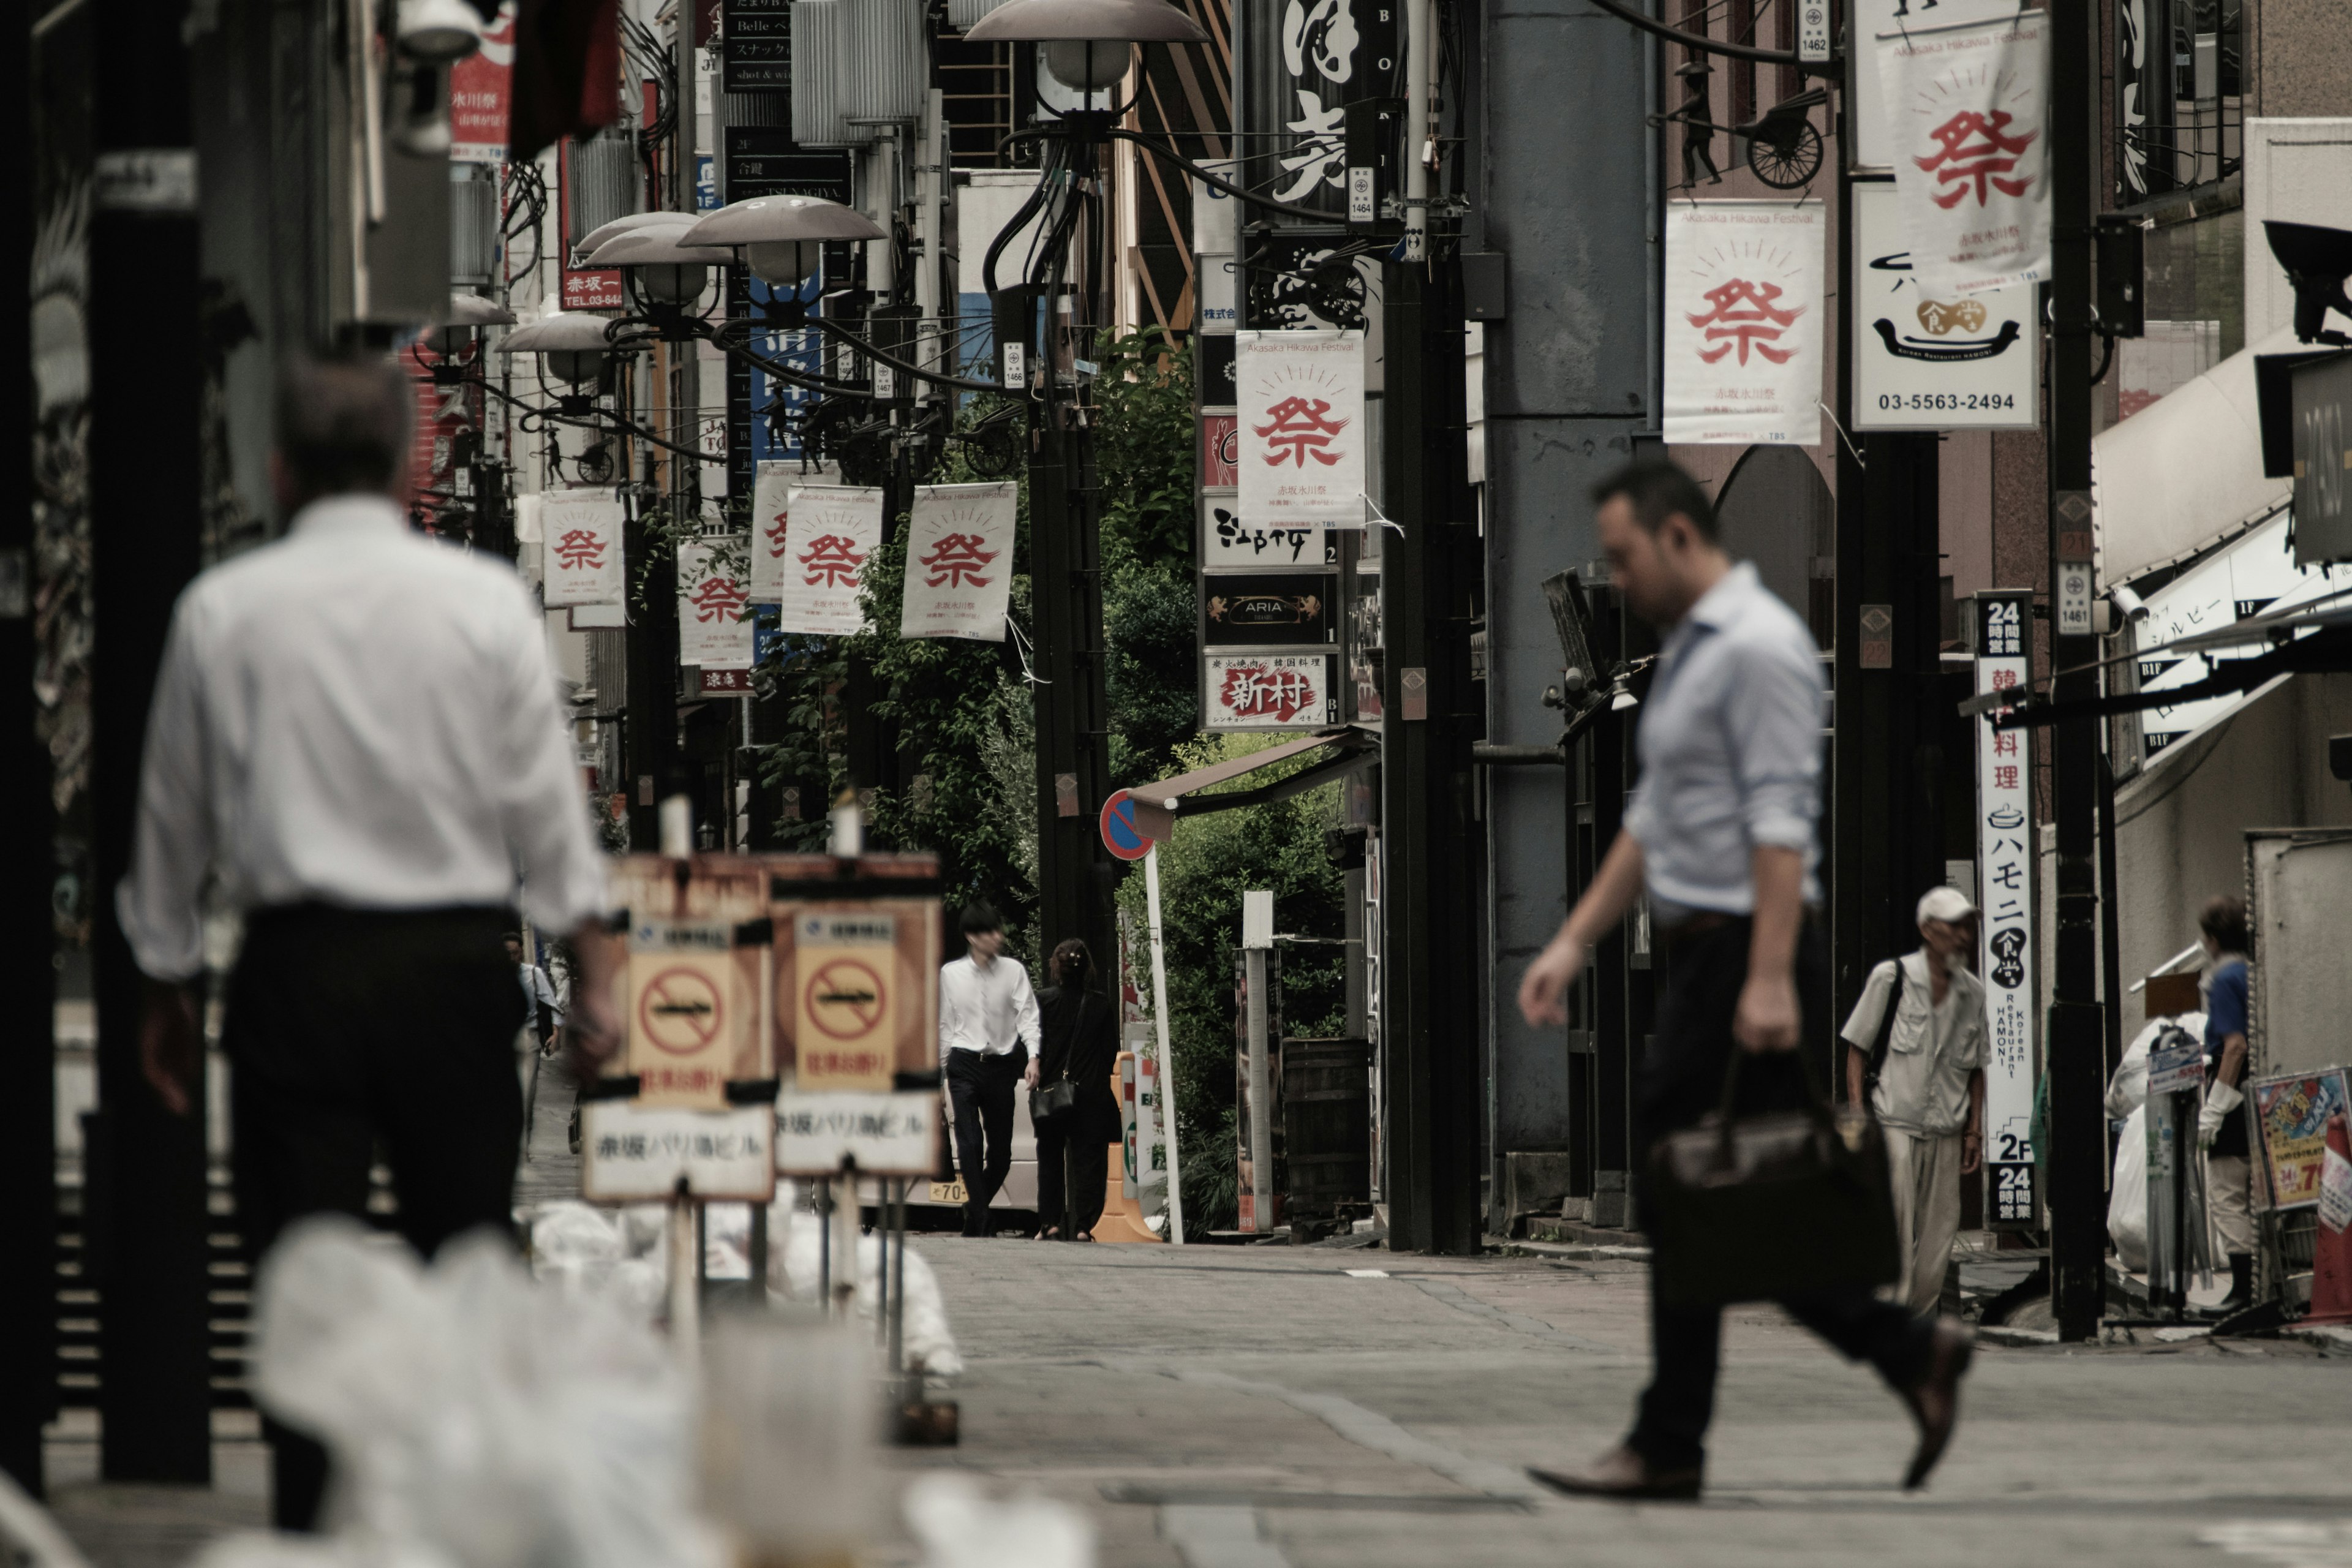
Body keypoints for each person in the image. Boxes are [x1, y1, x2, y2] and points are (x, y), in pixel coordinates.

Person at [118, 352, 621, 1531]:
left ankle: (312, 1524)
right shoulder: (482, 602)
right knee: (467, 1267)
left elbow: (169, 821)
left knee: (306, 1290)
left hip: (298, 974)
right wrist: (595, 970)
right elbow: (547, 811)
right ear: (408, 465)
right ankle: (464, 1526)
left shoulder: (223, 610)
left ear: (280, 470)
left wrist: (166, 987)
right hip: (452, 974)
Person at [1515, 459, 1970, 1501]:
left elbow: (1778, 823)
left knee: (1694, 1182)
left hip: (1747, 952)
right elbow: (1654, 818)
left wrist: (1767, 979)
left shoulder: (1759, 650)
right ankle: (1906, 1352)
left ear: (1680, 538)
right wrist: (1574, 941)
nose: (1619, 579)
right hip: (1709, 952)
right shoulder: (1689, 655)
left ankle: (1671, 1440)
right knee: (1731, 1195)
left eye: (1627, 557)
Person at [1839, 887, 1988, 1316]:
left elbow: (1978, 1067)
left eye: (1968, 926)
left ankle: (1917, 1317)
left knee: (1940, 1237)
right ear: (1927, 929)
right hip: (1894, 1125)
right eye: (1954, 926)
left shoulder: (1974, 993)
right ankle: (1891, 1318)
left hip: (1946, 1132)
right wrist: (1856, 1117)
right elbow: (1857, 1048)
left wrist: (1974, 1129)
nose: (1963, 936)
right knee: (1896, 1230)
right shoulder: (1892, 977)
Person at [938, 902, 1041, 1237]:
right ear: (972, 937)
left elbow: (1028, 1015)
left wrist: (1033, 1057)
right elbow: (946, 1024)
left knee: (1001, 1155)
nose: (998, 937)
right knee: (968, 1145)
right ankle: (982, 1221)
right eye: (989, 932)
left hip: (1000, 1068)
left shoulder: (1013, 971)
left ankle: (974, 1210)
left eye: (999, 930)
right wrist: (940, 1075)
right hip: (964, 1064)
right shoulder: (950, 974)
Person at [1033, 938, 1121, 1242]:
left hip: (1051, 1095)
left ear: (1056, 967)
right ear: (1087, 968)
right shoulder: (1100, 1004)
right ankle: (1085, 1226)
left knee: (1050, 1158)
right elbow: (1110, 1051)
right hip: (1091, 1095)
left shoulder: (1042, 1001)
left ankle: (1051, 1223)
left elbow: (1034, 1046)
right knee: (1089, 1163)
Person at [2196, 894, 2257, 1312]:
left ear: (2214, 939)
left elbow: (2234, 1046)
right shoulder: (2256, 971)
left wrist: (2214, 1108)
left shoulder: (2224, 978)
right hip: (2264, 1091)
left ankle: (2241, 1292)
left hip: (2234, 1090)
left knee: (2227, 1193)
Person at [507, 932, 565, 1053]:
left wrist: (555, 1033)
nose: (511, 958)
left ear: (521, 952)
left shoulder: (534, 974)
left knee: (528, 1073)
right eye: (508, 954)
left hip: (529, 1035)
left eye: (515, 953)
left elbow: (552, 1005)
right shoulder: (493, 977)